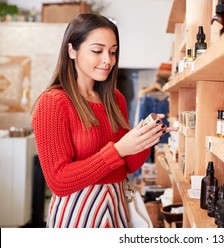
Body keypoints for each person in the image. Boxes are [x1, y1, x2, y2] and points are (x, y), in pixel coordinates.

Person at [32, 13, 178, 228]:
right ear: (72, 51)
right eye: (97, 51)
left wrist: (146, 137)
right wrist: (118, 149)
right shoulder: (53, 102)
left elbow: (127, 166)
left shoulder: (115, 98)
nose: (108, 60)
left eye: (113, 52)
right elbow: (59, 181)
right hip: (77, 213)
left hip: (116, 206)